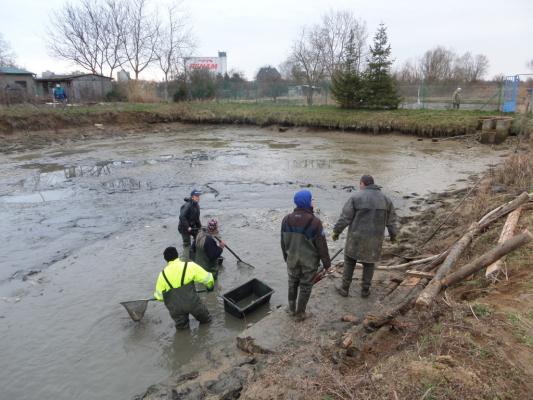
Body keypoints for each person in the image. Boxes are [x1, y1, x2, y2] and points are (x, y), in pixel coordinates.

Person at [332, 175, 398, 298]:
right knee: (369, 263)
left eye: (360, 184)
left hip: (356, 238)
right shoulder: (386, 200)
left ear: (363, 184)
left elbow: (345, 218)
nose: (359, 186)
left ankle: (345, 288)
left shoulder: (355, 197)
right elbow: (392, 221)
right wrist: (394, 236)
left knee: (350, 261)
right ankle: (365, 290)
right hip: (375, 239)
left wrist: (336, 231)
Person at [281, 189, 331, 322]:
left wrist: (286, 258)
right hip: (309, 263)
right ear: (308, 202)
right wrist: (327, 265)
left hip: (292, 260)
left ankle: (291, 309)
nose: (312, 201)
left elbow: (283, 242)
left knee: (292, 283)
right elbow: (322, 247)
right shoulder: (315, 222)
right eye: (311, 199)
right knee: (305, 287)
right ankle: (300, 313)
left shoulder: (286, 220)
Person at [154, 246, 214, 329]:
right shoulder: (189, 266)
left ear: (166, 259)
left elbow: (159, 297)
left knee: (182, 330)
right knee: (207, 322)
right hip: (193, 303)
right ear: (177, 255)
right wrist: (210, 287)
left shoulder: (162, 275)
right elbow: (209, 278)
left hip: (175, 309)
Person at [178, 189, 202, 259]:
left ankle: (194, 255)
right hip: (184, 228)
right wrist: (187, 227)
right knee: (187, 244)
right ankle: (185, 261)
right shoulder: (187, 205)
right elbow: (182, 217)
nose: (198, 197)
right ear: (192, 197)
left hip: (192, 226)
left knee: (198, 238)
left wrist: (200, 228)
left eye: (199, 196)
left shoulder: (197, 206)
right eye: (196, 196)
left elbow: (197, 219)